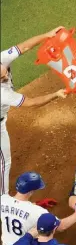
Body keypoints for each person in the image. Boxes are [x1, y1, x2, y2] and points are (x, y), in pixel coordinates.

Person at [1, 26, 67, 194]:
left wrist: (47, 34)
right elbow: (31, 103)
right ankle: (3, 198)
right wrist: (55, 94)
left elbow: (23, 47)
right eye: (2, 79)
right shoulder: (2, 94)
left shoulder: (2, 59)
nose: (6, 77)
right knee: (4, 162)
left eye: (4, 73)